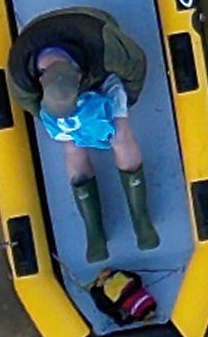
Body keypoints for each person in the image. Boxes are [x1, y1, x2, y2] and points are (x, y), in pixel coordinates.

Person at [26, 37, 158, 254]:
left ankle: (140, 218)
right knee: (72, 146)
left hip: (102, 79)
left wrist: (130, 96)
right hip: (57, 98)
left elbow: (134, 66)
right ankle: (94, 229)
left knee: (120, 134)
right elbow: (30, 103)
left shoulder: (103, 49)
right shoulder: (24, 74)